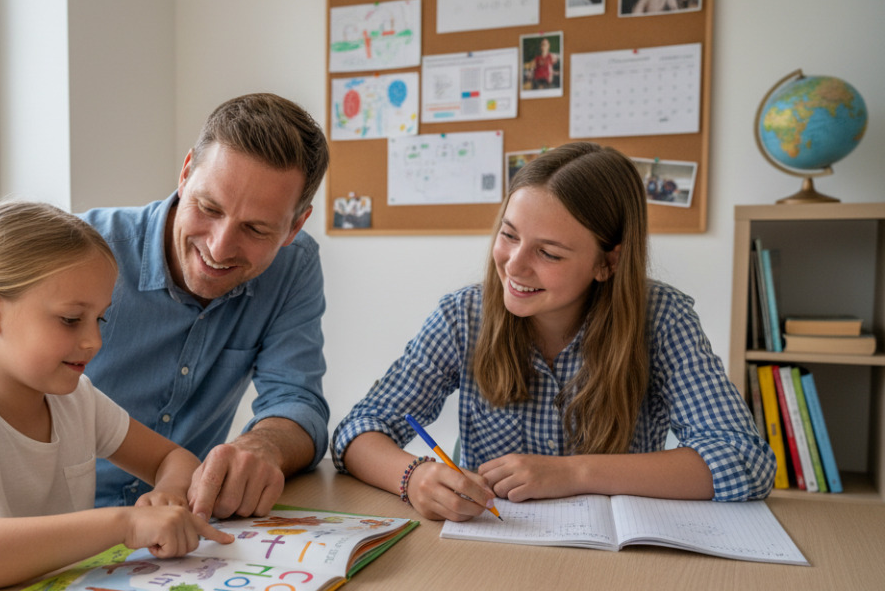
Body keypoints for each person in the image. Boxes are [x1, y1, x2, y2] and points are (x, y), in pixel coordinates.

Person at [0, 93, 331, 520]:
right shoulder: (85, 252)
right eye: (207, 208)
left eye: (257, 229)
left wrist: (260, 447)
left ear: (295, 225)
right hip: (48, 536)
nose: (219, 246)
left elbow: (297, 402)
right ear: (186, 172)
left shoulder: (294, 267)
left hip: (172, 526)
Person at [331, 142, 775, 522]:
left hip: (617, 562)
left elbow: (744, 458)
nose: (514, 265)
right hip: (489, 552)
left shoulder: (661, 319)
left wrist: (573, 472)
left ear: (608, 262)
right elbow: (358, 429)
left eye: (549, 253)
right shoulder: (464, 315)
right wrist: (414, 478)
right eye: (509, 235)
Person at [0, 201, 232, 591]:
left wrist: (168, 494)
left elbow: (173, 459)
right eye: (71, 320)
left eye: (99, 320)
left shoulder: (76, 400)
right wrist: (125, 523)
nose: (94, 342)